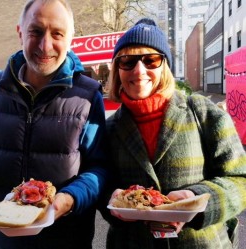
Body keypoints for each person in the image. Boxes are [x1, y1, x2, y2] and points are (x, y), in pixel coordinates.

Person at [0, 0, 108, 248]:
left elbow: (99, 168)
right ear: (20, 32)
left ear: (70, 39)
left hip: (66, 238)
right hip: (5, 238)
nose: (45, 45)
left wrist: (70, 198)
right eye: (36, 31)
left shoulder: (87, 95)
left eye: (57, 34)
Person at [101, 17, 246, 249]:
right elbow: (102, 186)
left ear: (165, 66)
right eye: (127, 61)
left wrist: (196, 201)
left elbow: (240, 179)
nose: (139, 71)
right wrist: (113, 203)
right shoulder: (108, 129)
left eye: (151, 60)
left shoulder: (202, 112)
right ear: (117, 70)